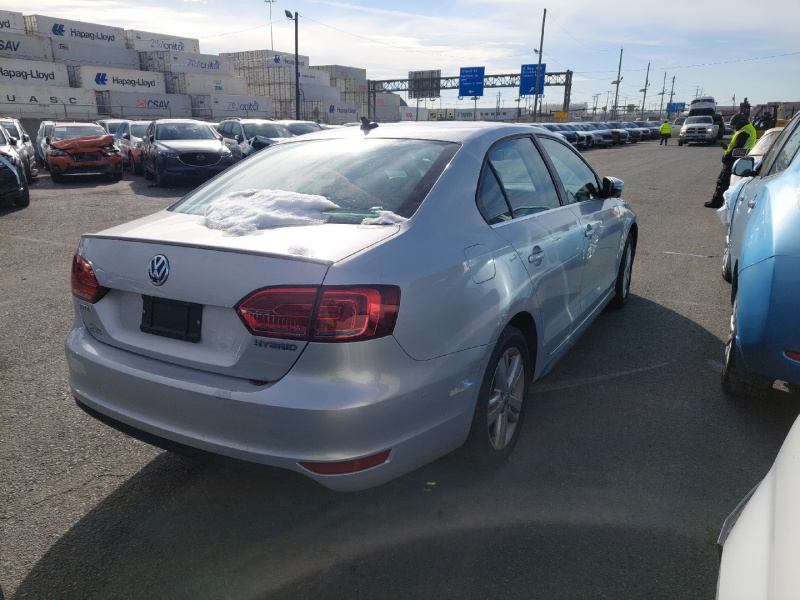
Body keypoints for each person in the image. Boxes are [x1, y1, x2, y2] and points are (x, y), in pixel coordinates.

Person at [704, 112, 757, 208]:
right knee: (728, 182)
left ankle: (717, 202)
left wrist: (726, 156)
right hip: (740, 158)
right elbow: (737, 146)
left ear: (740, 122)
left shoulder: (744, 132)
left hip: (734, 159)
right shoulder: (748, 129)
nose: (734, 127)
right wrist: (727, 147)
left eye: (735, 125)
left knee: (723, 181)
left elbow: (737, 148)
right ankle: (723, 201)